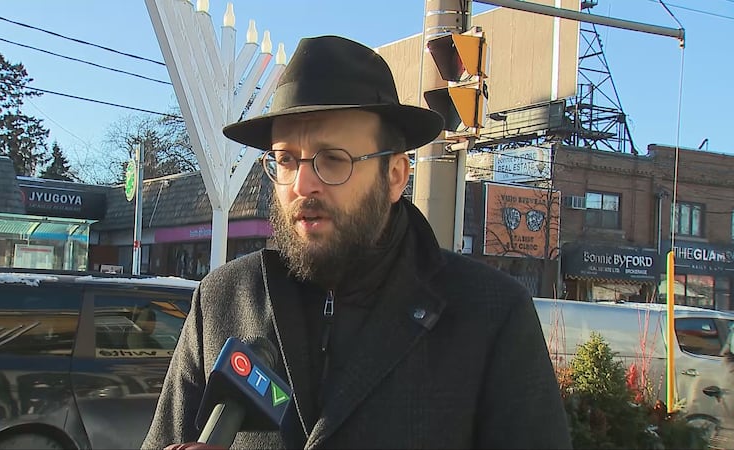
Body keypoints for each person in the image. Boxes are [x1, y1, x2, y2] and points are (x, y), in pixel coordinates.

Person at [142, 35, 572, 449]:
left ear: (395, 176)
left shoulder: (490, 316)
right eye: (286, 160)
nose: (302, 184)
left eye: (333, 159)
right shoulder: (221, 301)